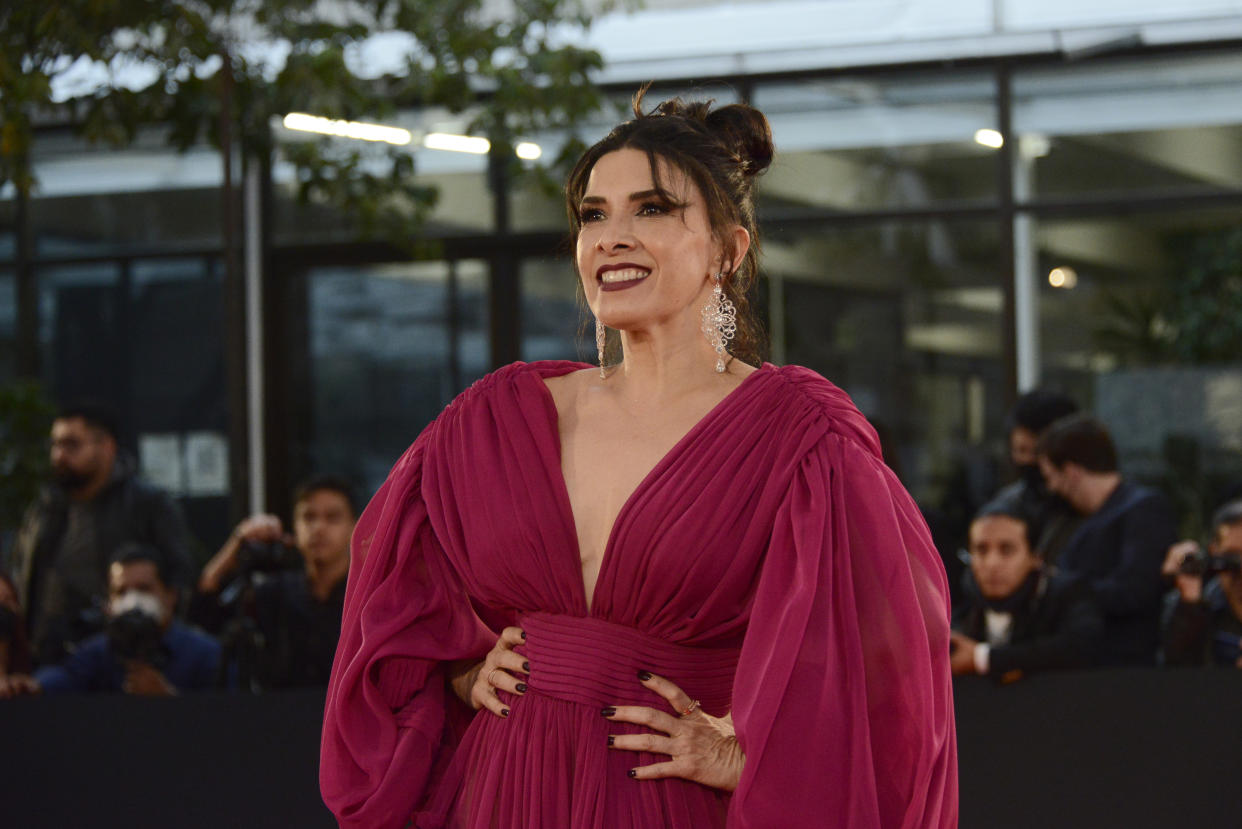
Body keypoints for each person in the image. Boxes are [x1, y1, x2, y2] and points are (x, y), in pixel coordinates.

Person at [320, 91, 957, 828]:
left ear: (728, 248)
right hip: (502, 794)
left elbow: (884, 676)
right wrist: (460, 671)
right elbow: (394, 598)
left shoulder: (800, 439)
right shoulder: (497, 418)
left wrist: (740, 757)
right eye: (594, 214)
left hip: (662, 802)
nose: (611, 237)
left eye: (652, 209)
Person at [10, 402, 195, 665]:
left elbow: (179, 581)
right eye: (55, 445)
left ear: (107, 447)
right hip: (49, 656)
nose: (59, 456)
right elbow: (22, 580)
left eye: (71, 445)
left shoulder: (147, 504)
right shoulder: (43, 510)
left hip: (120, 656)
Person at [1037, 413, 1178, 666]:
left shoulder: (1143, 509)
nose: (1052, 488)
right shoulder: (1072, 521)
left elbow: (1135, 589)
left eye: (1051, 477)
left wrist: (1059, 588)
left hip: (1125, 669)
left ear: (1071, 471)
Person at [195, 475, 355, 688]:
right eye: (308, 517)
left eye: (332, 517)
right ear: (295, 528)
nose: (319, 528)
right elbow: (205, 613)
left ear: (355, 526)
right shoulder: (275, 592)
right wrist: (238, 542)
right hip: (278, 715)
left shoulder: (368, 597)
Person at [1, 543, 219, 696]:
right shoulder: (97, 653)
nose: (133, 600)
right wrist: (30, 687)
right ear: (109, 602)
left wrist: (167, 699)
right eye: (122, 592)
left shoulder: (205, 654)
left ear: (170, 595)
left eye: (144, 589)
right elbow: (64, 677)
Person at [950, 504, 1103, 683]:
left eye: (1006, 550)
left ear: (1035, 558)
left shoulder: (1068, 594)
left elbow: (1083, 647)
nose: (992, 564)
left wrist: (983, 658)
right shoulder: (957, 603)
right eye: (981, 550)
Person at [987, 390, 1081, 565]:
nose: (1030, 461)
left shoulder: (1089, 510)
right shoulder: (1007, 505)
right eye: (1021, 451)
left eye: (1038, 452)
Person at [1160, 499, 1242, 667]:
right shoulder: (1204, 602)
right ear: (1214, 552)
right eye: (1231, 557)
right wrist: (1189, 606)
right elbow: (1176, 672)